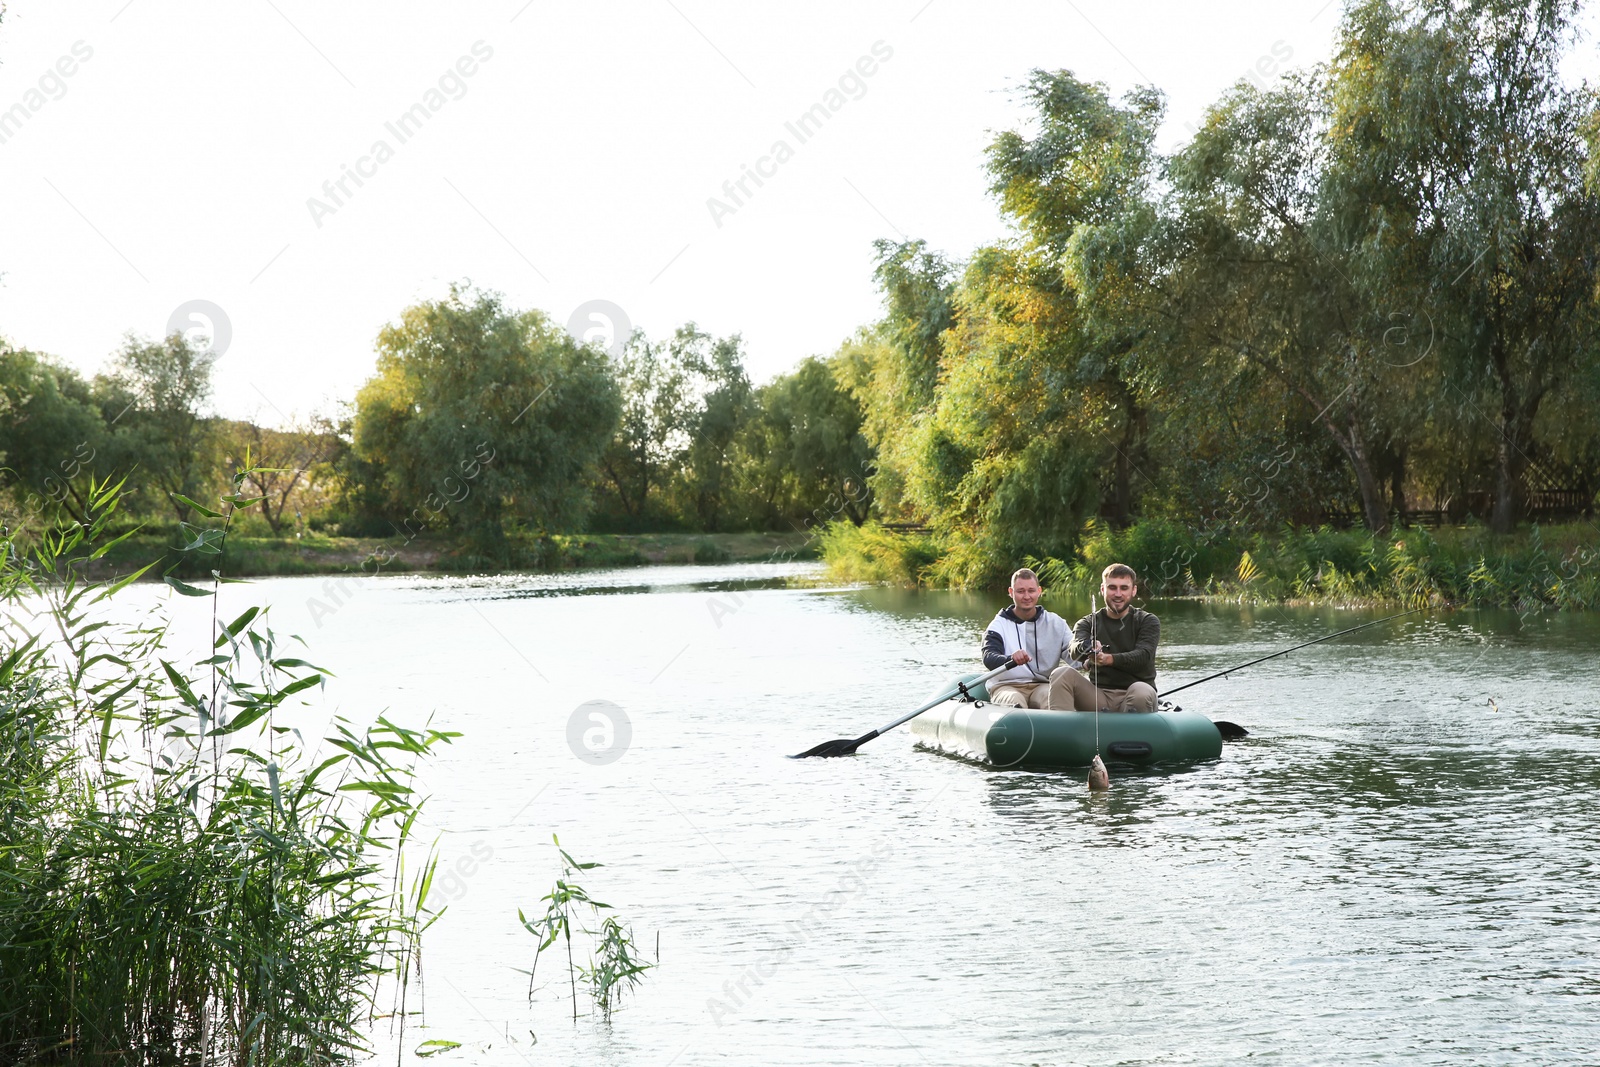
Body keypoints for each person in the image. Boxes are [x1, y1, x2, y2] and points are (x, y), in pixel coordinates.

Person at [1057, 563, 1160, 713]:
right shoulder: (1087, 622)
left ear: (1133, 591)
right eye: (1112, 588)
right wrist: (1087, 646)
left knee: (1141, 691)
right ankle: (1061, 732)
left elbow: (1144, 656)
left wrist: (1108, 659)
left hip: (1136, 693)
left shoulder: (1147, 620)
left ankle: (1133, 734)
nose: (1118, 594)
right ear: (1103, 589)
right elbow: (1074, 650)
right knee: (1060, 674)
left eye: (1124, 588)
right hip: (1098, 697)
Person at [979, 567, 1074, 708]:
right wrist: (1010, 658)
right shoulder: (998, 625)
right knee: (1015, 701)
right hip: (1006, 686)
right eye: (1020, 591)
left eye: (1031, 591)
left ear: (1039, 591)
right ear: (1011, 592)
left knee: (1051, 700)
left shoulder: (1056, 623)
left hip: (1042, 685)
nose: (1026, 596)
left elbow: (1074, 653)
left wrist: (1090, 653)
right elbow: (989, 657)